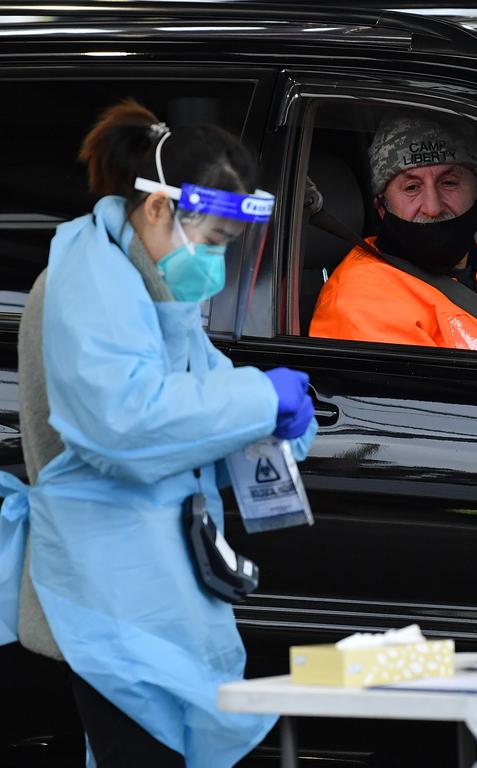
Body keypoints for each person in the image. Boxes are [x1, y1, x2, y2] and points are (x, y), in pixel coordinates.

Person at [0, 99, 317, 766]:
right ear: (157, 209)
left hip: (148, 589)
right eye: (209, 243)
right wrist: (259, 397)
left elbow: (203, 399)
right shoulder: (84, 285)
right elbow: (127, 422)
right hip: (107, 590)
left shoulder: (150, 288)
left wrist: (282, 422)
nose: (214, 267)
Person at [309, 116, 477, 352]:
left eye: (449, 183)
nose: (433, 208)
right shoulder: (361, 299)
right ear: (382, 207)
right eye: (412, 187)